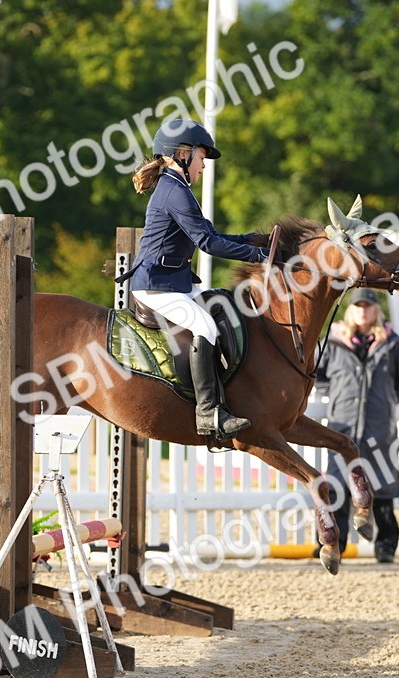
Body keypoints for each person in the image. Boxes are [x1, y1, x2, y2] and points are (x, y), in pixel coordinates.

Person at [119, 118, 270, 439]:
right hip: (155, 286)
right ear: (183, 154)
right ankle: (208, 413)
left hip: (173, 282)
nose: (203, 166)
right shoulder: (174, 191)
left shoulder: (177, 187)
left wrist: (253, 239)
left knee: (220, 305)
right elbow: (208, 244)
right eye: (202, 159)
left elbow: (211, 234)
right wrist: (261, 258)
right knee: (205, 326)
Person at [317, 288, 399, 562]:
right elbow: (316, 373)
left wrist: (387, 400)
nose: (363, 310)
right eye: (358, 306)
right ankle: (337, 544)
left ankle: (386, 547)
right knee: (338, 485)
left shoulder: (392, 343)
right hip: (343, 424)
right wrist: (335, 394)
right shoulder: (334, 341)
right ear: (351, 309)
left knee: (382, 487)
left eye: (368, 306)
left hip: (378, 427)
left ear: (376, 309)